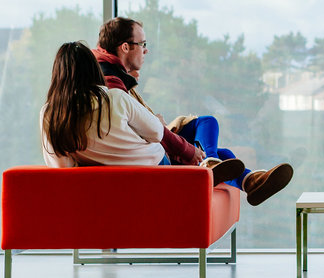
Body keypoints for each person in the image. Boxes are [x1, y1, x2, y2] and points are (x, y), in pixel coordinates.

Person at [93, 17, 294, 206]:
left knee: (210, 129)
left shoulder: (112, 74)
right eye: (143, 44)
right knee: (211, 130)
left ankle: (243, 178)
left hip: (152, 143)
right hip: (151, 150)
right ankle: (226, 172)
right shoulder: (111, 81)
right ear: (126, 47)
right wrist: (157, 124)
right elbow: (131, 130)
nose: (146, 51)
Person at [40, 41, 174, 168]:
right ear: (95, 69)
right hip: (152, 167)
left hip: (102, 185)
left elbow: (63, 166)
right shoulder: (116, 98)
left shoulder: (51, 114)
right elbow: (157, 133)